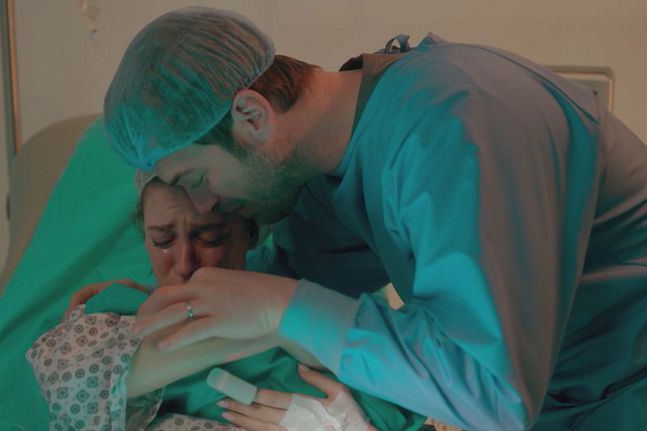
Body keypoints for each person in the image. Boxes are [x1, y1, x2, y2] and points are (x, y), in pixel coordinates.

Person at [101, 6, 647, 431]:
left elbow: (492, 393)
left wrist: (279, 308)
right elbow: (293, 279)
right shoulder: (328, 172)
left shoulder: (454, 123)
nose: (203, 206)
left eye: (195, 179)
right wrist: (155, 306)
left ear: (252, 116)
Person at [27, 173, 425, 430]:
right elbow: (75, 395)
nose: (185, 262)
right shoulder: (114, 314)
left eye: (210, 237)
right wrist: (273, 329)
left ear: (250, 231)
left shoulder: (317, 302)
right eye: (162, 240)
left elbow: (406, 395)